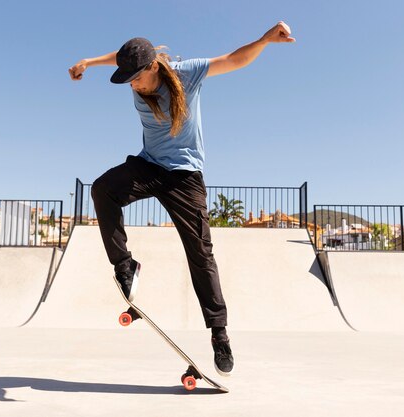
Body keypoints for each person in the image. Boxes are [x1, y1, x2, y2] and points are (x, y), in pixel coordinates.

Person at [69, 22, 295, 376]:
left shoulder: (187, 74)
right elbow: (118, 57)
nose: (133, 85)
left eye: (136, 78)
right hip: (148, 166)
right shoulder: (135, 71)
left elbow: (233, 60)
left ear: (154, 66)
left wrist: (265, 40)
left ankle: (219, 334)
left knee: (200, 254)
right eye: (127, 79)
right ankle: (125, 265)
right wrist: (87, 61)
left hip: (185, 177)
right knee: (102, 190)